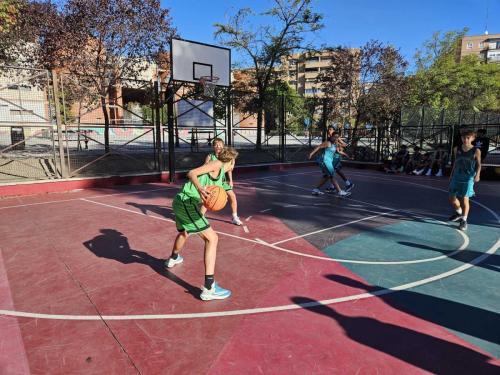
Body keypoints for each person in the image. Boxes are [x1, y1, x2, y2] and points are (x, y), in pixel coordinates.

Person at [165, 146, 239, 301]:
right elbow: (191, 173)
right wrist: (199, 189)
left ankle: (173, 258)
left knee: (185, 232)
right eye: (234, 162)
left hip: (180, 202)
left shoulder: (220, 178)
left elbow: (209, 199)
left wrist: (203, 212)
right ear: (231, 161)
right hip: (187, 203)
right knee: (212, 238)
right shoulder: (217, 164)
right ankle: (209, 287)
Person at [200, 138, 242, 226]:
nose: (218, 146)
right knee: (209, 200)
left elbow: (229, 170)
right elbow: (204, 169)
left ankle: (234, 217)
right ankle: (200, 218)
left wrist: (230, 180)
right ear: (213, 147)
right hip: (211, 182)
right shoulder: (210, 156)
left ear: (223, 146)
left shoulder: (225, 157)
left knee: (232, 196)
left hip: (222, 182)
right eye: (216, 145)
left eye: (220, 144)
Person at [448, 130, 481, 231]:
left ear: (472, 139)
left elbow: (479, 164)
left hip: (468, 178)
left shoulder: (476, 150)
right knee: (451, 198)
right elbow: (455, 162)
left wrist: (477, 175)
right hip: (457, 176)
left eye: (468, 138)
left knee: (465, 199)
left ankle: (464, 220)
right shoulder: (456, 149)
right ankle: (458, 212)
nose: (465, 140)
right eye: (463, 138)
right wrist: (451, 174)